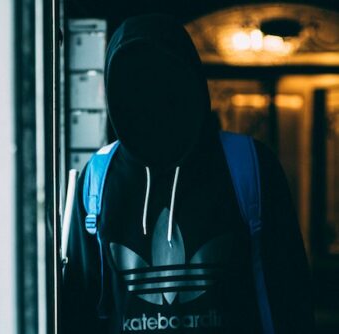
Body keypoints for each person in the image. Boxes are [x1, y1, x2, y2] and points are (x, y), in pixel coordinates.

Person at [61, 14, 314, 333]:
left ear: (188, 79)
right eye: (134, 79)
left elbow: (290, 292)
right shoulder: (98, 177)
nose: (150, 94)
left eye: (163, 77)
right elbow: (80, 305)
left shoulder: (248, 164)